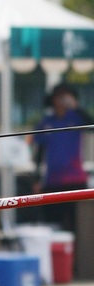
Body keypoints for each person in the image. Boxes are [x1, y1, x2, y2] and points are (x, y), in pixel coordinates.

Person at [31, 82, 94, 233]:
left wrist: (77, 107)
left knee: (79, 225)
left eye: (65, 97)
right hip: (53, 181)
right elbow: (39, 152)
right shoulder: (46, 122)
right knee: (52, 225)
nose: (61, 101)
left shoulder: (77, 118)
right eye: (59, 96)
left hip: (75, 180)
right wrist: (36, 179)